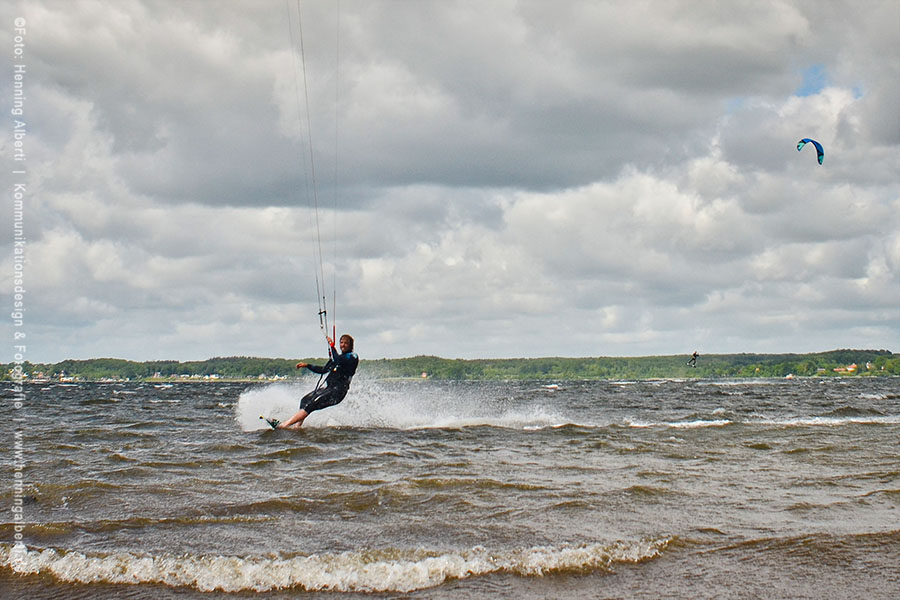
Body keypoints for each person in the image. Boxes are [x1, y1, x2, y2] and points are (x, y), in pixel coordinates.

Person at [277, 334, 358, 429]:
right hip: (329, 389)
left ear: (350, 345)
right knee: (305, 401)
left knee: (311, 405)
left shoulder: (352, 357)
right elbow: (323, 370)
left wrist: (332, 346)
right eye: (341, 342)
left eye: (346, 343)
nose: (343, 345)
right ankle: (297, 427)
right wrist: (307, 365)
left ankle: (284, 425)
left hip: (338, 392)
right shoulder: (336, 359)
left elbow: (339, 360)